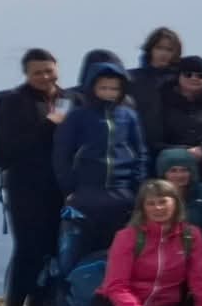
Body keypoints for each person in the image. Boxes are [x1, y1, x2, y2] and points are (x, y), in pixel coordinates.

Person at [15, 180, 202, 306]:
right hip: (113, 305)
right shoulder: (128, 236)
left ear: (176, 204)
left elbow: (201, 279)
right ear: (143, 208)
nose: (158, 208)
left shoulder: (190, 236)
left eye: (163, 202)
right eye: (151, 204)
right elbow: (115, 285)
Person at [0, 49, 67, 306]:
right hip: (26, 188)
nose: (44, 77)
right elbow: (10, 149)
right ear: (26, 74)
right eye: (37, 73)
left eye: (49, 70)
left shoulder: (70, 99)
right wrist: (48, 125)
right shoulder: (13, 101)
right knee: (29, 250)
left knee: (53, 249)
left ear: (57, 68)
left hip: (60, 186)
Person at [53, 61, 149, 256]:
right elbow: (62, 154)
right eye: (103, 88)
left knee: (121, 252)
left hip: (123, 194)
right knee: (77, 251)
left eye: (114, 89)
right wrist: (69, 189)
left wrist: (137, 186)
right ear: (92, 88)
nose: (109, 93)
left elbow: (141, 152)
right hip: (86, 194)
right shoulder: (77, 117)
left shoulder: (129, 116)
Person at [155, 148, 202, 247]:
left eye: (184, 170)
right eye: (173, 170)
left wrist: (187, 248)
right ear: (163, 174)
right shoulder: (154, 196)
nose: (179, 175)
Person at [128, 27, 184, 144]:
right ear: (150, 49)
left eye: (169, 49)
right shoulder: (131, 78)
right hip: (137, 142)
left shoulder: (181, 80)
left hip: (172, 145)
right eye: (159, 48)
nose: (163, 53)